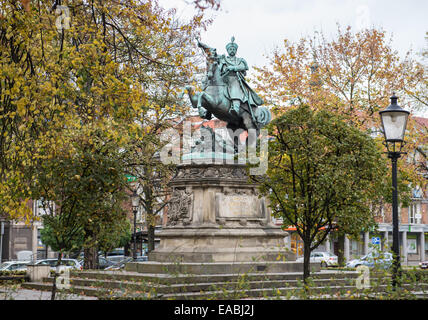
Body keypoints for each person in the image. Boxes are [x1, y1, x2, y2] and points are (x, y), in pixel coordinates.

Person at [198, 37, 264, 118]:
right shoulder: (223, 58)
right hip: (224, 78)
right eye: (230, 49)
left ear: (236, 51)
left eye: (233, 49)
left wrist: (233, 68)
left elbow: (244, 66)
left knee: (234, 85)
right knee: (212, 86)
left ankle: (235, 107)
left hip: (235, 78)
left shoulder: (240, 60)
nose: (232, 50)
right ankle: (209, 111)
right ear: (227, 50)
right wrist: (202, 45)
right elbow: (212, 53)